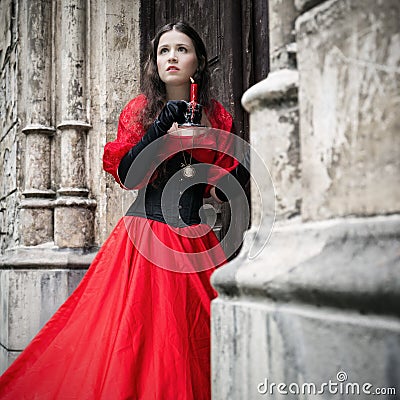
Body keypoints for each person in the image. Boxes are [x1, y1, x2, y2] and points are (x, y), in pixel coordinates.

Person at [0, 22, 242, 399]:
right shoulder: (141, 111)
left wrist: (218, 148)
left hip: (195, 240)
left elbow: (222, 189)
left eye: (182, 49)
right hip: (146, 235)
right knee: (140, 341)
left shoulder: (218, 115)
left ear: (198, 61)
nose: (172, 58)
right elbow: (129, 175)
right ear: (154, 62)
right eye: (164, 51)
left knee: (197, 338)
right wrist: (160, 130)